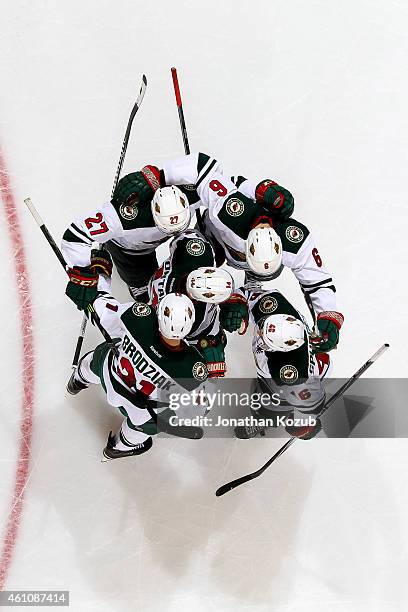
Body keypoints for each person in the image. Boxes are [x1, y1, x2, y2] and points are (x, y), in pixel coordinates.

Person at [61, 152, 294, 302]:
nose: (174, 233)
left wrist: (261, 190)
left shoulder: (191, 193)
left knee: (196, 250)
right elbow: (75, 234)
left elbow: (219, 175)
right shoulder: (124, 217)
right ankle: (123, 270)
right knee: (141, 286)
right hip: (132, 250)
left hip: (177, 235)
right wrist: (80, 271)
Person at [65, 258, 208, 460]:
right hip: (139, 409)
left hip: (111, 374)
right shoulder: (192, 368)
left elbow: (104, 314)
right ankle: (120, 447)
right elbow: (197, 410)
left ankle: (78, 379)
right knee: (149, 425)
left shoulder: (139, 317)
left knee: (99, 357)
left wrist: (95, 285)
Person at [233, 288, 339, 439]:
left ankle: (269, 419)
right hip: (278, 387)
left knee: (272, 404)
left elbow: (322, 364)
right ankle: (268, 420)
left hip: (279, 387)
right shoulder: (279, 312)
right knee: (269, 406)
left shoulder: (269, 366)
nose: (261, 333)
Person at [148, 228, 237, 377]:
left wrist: (235, 300)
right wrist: (209, 344)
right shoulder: (189, 317)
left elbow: (183, 235)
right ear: (201, 299)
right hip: (167, 320)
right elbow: (176, 340)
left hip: (155, 292)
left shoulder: (196, 254)